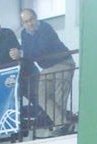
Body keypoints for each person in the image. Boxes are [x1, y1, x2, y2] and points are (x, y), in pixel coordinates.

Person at [19, 8, 76, 136]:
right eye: (26, 21)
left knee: (59, 98)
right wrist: (25, 54)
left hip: (63, 63)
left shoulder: (45, 28)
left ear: (36, 17)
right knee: (41, 96)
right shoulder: (24, 34)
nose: (30, 23)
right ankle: (64, 124)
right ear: (23, 23)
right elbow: (29, 54)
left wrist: (24, 54)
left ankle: (61, 125)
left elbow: (42, 48)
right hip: (47, 67)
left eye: (31, 20)